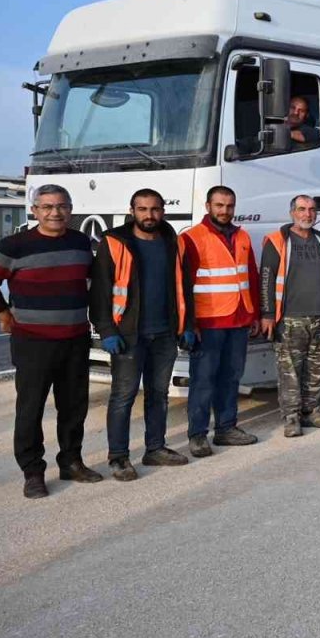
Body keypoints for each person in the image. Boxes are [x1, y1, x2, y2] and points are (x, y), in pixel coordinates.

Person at [0, 184, 100, 498]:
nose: (54, 212)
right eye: (46, 207)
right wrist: (3, 314)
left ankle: (71, 461)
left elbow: (94, 281)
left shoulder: (81, 242)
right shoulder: (16, 245)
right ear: (34, 211)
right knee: (30, 409)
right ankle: (32, 472)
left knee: (74, 407)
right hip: (33, 343)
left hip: (74, 340)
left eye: (61, 206)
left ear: (70, 209)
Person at [89, 189, 196, 481]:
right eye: (142, 209)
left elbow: (184, 288)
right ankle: (118, 457)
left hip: (164, 334)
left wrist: (187, 325)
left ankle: (155, 448)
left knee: (158, 395)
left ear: (163, 210)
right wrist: (107, 331)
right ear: (132, 210)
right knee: (123, 396)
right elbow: (100, 292)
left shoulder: (172, 242)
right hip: (128, 336)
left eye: (155, 209)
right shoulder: (114, 242)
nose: (149, 215)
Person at [180, 186, 261, 457]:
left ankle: (226, 428)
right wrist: (189, 324)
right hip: (208, 322)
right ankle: (198, 435)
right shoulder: (192, 238)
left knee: (231, 377)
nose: (224, 211)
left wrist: (254, 314)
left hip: (238, 319)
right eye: (219, 205)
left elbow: (251, 275)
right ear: (208, 206)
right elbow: (183, 285)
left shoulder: (242, 236)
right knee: (203, 380)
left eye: (229, 206)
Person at [261, 196, 320, 437]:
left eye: (311, 210)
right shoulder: (277, 241)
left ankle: (311, 411)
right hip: (289, 319)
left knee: (316, 369)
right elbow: (266, 279)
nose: (307, 214)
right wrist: (267, 314)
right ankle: (291, 417)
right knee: (290, 372)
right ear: (291, 213)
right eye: (301, 209)